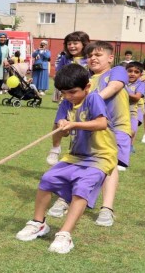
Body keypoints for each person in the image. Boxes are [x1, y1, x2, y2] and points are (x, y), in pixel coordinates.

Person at [15, 64, 117, 254]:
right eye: (64, 93)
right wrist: (59, 131)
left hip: (101, 156)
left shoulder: (93, 98)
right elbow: (58, 130)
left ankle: (65, 234)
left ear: (87, 87)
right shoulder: (65, 104)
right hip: (76, 155)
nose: (68, 96)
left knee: (81, 188)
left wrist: (74, 123)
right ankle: (38, 223)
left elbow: (102, 123)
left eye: (72, 92)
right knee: (47, 179)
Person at [47, 41, 130, 228]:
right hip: (87, 128)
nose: (93, 58)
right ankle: (65, 199)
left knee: (110, 164)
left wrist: (91, 99)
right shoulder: (82, 79)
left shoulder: (116, 71)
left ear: (110, 58)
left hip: (116, 127)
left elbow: (115, 86)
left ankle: (106, 208)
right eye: (90, 55)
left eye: (98, 55)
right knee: (79, 161)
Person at [47, 31, 90, 165]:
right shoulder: (65, 59)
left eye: (75, 43)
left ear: (84, 44)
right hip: (67, 99)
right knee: (58, 124)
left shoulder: (89, 59)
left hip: (85, 99)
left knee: (81, 127)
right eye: (69, 43)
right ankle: (55, 149)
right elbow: (58, 75)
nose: (72, 46)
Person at [124, 61, 145, 148]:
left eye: (136, 72)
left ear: (140, 74)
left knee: (132, 131)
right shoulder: (121, 82)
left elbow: (137, 97)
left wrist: (123, 91)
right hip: (119, 110)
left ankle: (130, 145)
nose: (132, 74)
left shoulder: (140, 84)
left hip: (133, 111)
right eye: (130, 71)